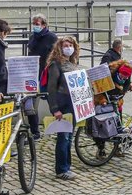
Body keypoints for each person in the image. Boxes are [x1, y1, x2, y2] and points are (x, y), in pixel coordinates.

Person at [45, 36, 80, 180]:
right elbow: (51, 89)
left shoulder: (72, 63)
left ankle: (67, 166)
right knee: (63, 138)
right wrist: (55, 109)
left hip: (73, 106)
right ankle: (61, 169)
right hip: (63, 105)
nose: (68, 47)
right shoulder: (55, 64)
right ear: (59, 47)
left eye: (71, 45)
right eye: (65, 45)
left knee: (69, 138)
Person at [93, 59, 132, 159]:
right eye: (122, 75)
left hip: (116, 102)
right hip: (104, 101)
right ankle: (101, 149)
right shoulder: (110, 73)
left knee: (118, 125)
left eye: (126, 76)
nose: (124, 77)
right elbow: (98, 89)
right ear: (119, 71)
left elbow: (125, 86)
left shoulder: (127, 76)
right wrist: (102, 100)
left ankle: (117, 147)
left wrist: (124, 90)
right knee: (102, 126)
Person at [28, 13, 58, 141]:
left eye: (37, 24)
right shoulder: (32, 37)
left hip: (48, 74)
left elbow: (57, 55)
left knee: (53, 104)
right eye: (33, 24)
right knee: (31, 104)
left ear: (44, 25)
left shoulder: (52, 38)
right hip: (33, 74)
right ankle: (35, 132)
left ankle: (59, 128)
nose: (35, 26)